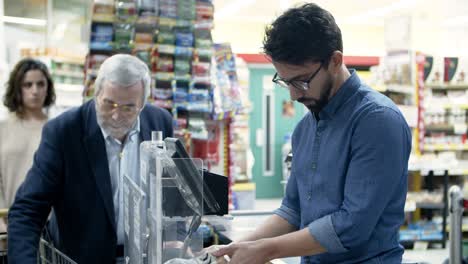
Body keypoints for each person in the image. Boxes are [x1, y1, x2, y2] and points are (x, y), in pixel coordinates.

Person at [213, 3, 412, 264]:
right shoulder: (305, 128)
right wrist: (237, 248)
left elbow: (351, 226)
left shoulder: (377, 122)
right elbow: (292, 210)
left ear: (335, 61)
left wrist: (265, 250)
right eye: (285, 82)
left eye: (301, 81)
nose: (294, 95)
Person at [7, 54, 174, 263]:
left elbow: (173, 190)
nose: (116, 115)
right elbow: (28, 211)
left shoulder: (160, 122)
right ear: (96, 93)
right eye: (108, 104)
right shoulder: (64, 132)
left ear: (142, 103)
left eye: (128, 108)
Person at [0, 58, 56, 210]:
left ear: (48, 88)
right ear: (17, 88)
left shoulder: (56, 130)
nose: (35, 91)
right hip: (7, 220)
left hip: (47, 224)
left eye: (40, 84)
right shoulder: (3, 129)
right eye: (27, 85)